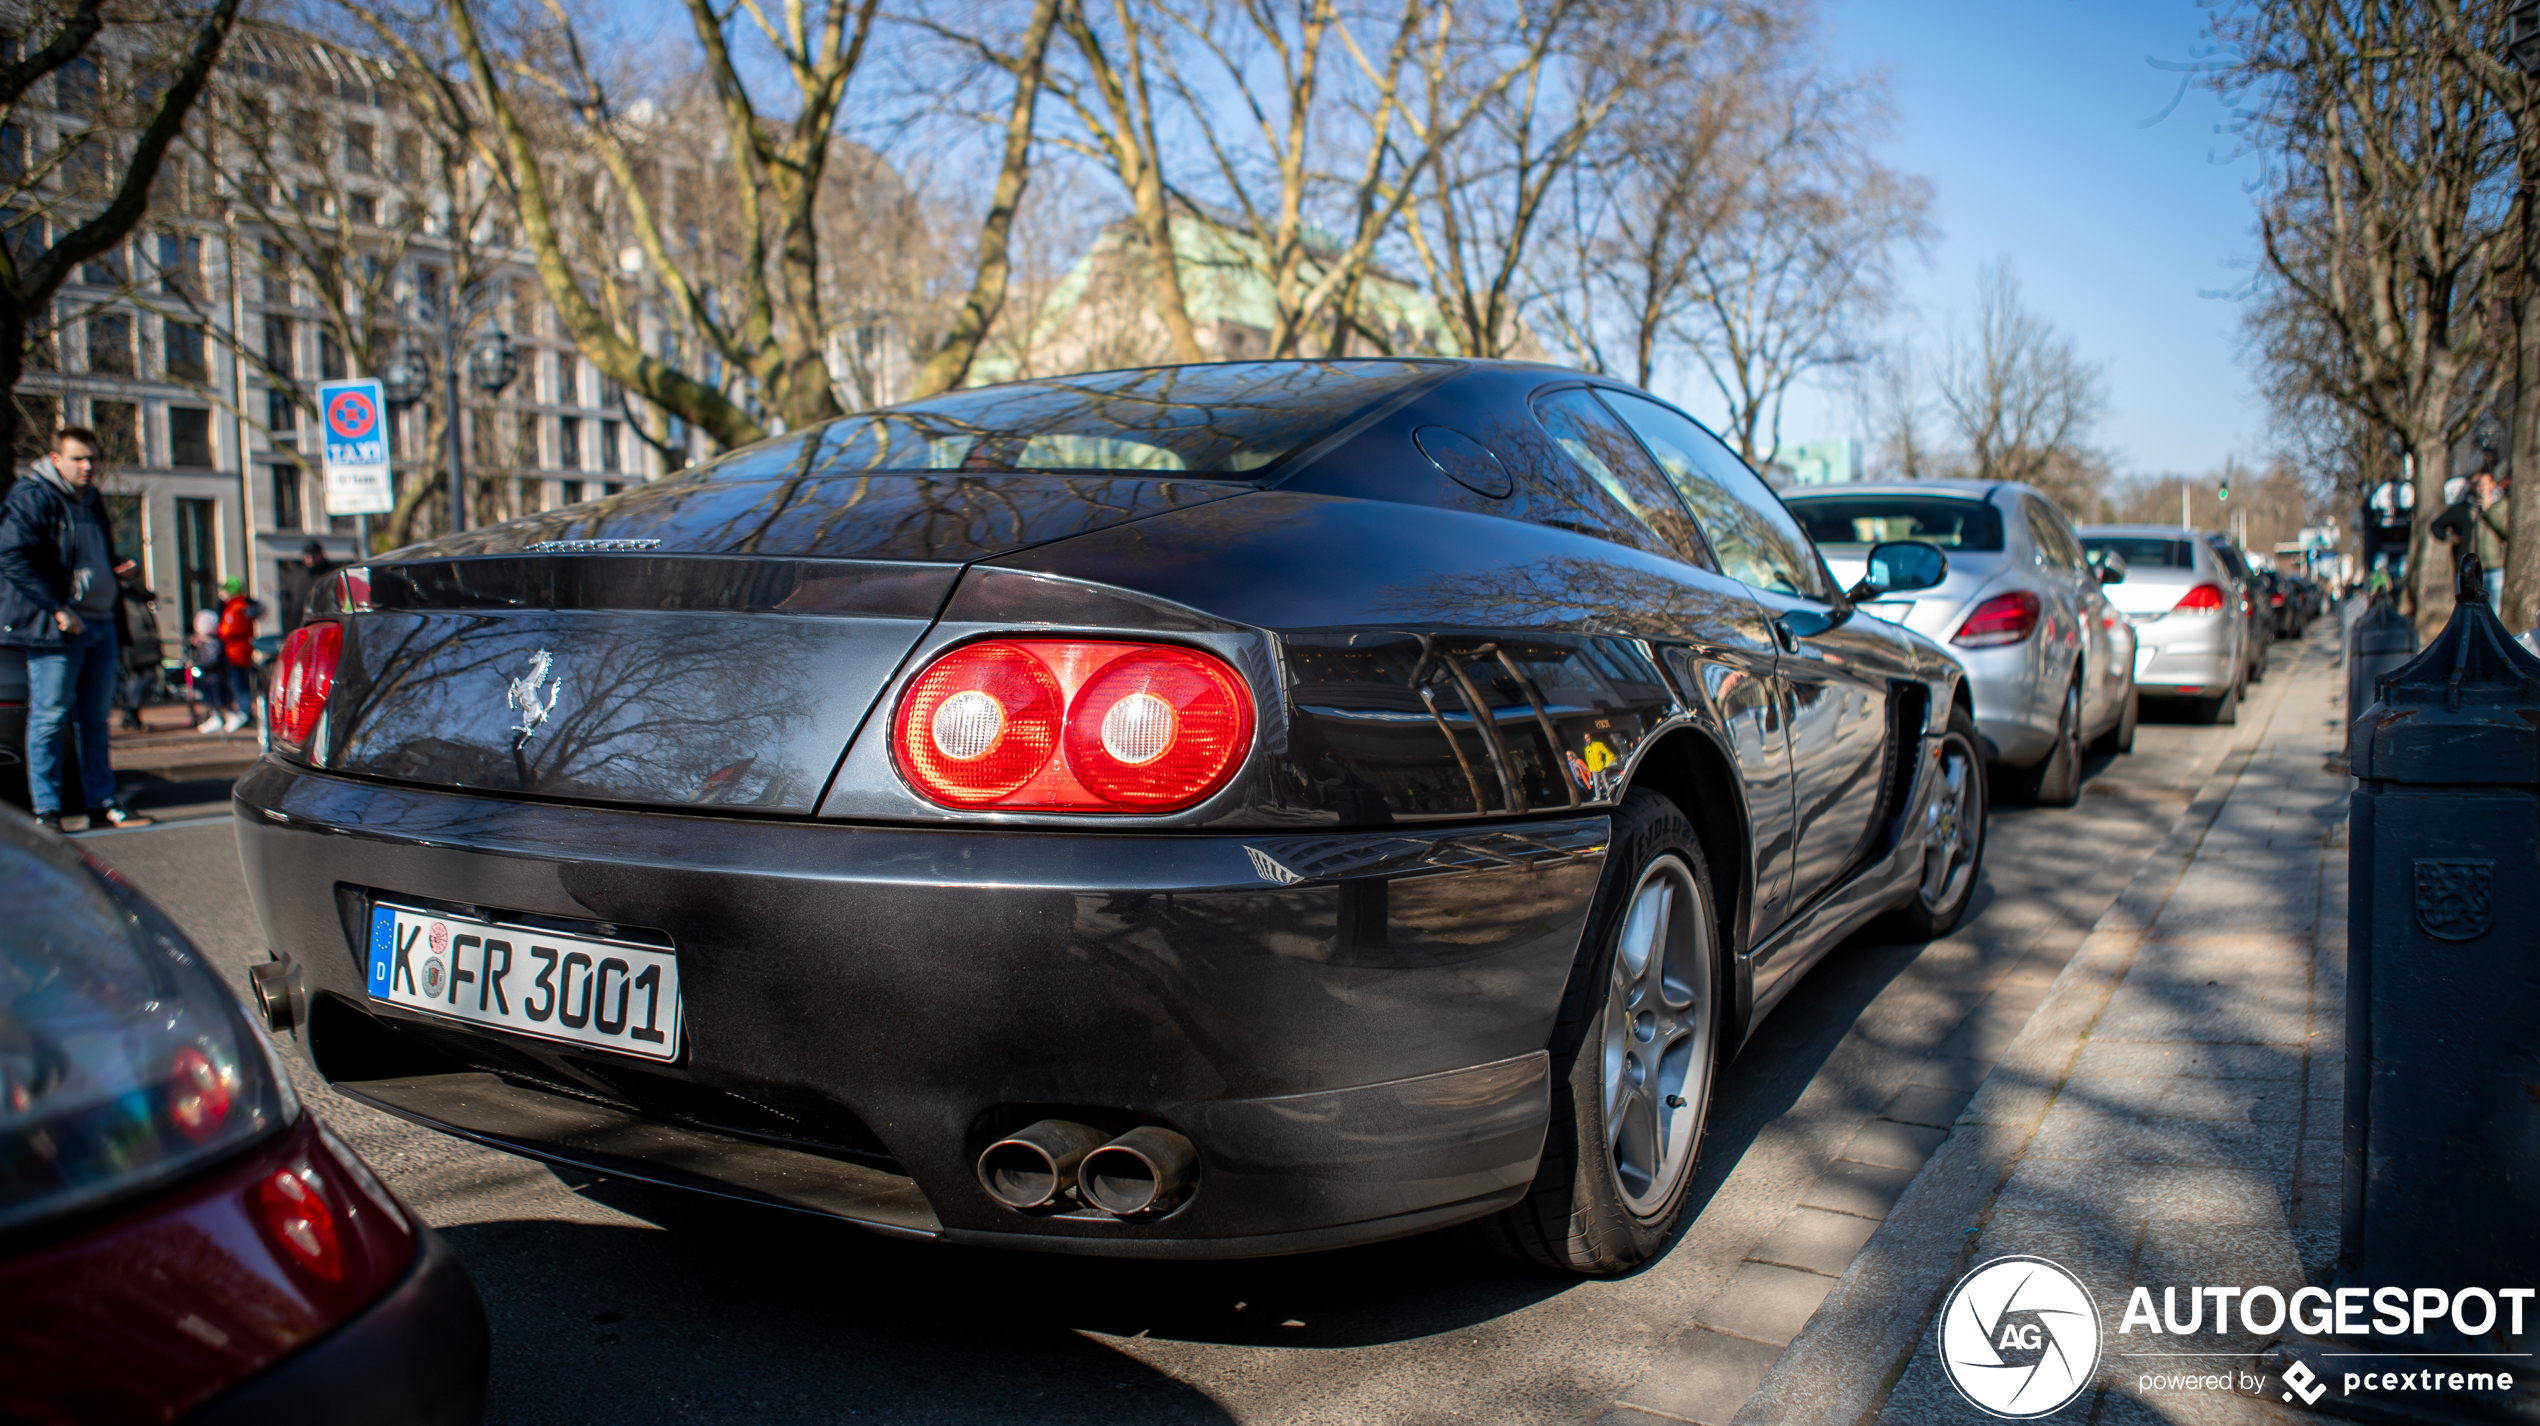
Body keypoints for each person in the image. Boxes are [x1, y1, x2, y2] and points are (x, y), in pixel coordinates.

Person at [0, 426, 154, 830]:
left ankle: (101, 804)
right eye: (78, 458)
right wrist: (56, 608)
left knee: (95, 719)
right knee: (49, 717)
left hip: (102, 622)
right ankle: (47, 812)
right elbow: (12, 557)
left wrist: (116, 565)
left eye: (92, 459)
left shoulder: (92, 499)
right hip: (60, 627)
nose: (88, 466)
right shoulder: (32, 496)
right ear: (55, 459)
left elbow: (90, 553)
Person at [214, 578, 260, 731]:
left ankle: (245, 712)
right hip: (237, 650)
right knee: (238, 682)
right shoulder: (236, 606)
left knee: (238, 683)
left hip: (236, 651)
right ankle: (244, 711)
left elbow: (229, 630)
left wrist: (217, 632)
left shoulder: (237, 607)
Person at [187, 607, 238, 732]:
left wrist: (201, 666)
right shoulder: (205, 643)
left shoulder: (213, 643)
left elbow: (212, 660)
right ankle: (217, 718)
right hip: (209, 678)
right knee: (211, 701)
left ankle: (230, 717)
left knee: (219, 700)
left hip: (215, 678)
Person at [278, 539, 334, 636]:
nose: (311, 559)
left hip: (324, 625)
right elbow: (287, 599)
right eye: (308, 556)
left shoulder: (330, 573)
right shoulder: (296, 574)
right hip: (298, 626)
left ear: (321, 555)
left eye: (314, 555)